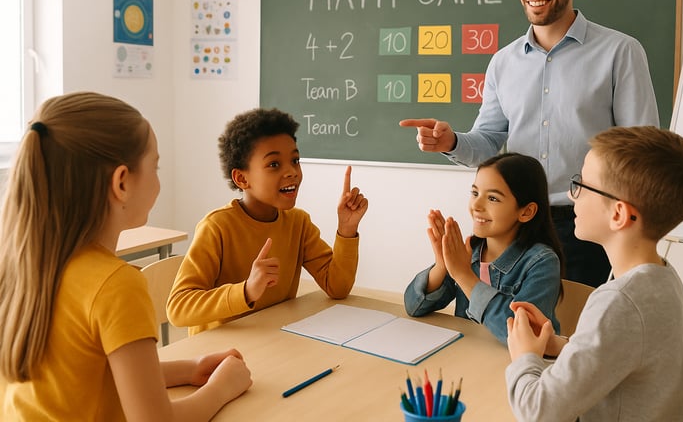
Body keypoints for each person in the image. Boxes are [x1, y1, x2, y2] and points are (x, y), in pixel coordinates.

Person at [400, 0, 659, 288]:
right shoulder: (503, 62)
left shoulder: (620, 52)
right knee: (509, 327)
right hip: (515, 222)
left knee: (573, 335)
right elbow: (489, 141)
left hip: (586, 224)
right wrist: (452, 143)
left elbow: (641, 155)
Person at [0, 92, 252, 421]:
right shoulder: (116, 284)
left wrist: (190, 369)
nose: (159, 179)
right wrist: (220, 389)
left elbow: (91, 371)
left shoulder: (21, 266)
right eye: (155, 166)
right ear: (121, 182)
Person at [505, 126, 683, 421]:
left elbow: (538, 411)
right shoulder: (662, 276)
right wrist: (560, 346)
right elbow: (626, 352)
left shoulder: (619, 301)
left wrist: (525, 357)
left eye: (583, 185)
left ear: (618, 215)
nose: (573, 196)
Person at [166, 107, 368, 335]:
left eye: (295, 160)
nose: (292, 171)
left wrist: (347, 229)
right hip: (220, 355)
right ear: (242, 178)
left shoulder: (298, 223)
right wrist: (247, 291)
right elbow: (178, 308)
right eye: (274, 164)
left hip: (275, 341)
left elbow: (337, 287)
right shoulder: (217, 227)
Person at [404, 152, 564, 344]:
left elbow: (525, 336)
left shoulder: (541, 261)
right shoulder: (469, 252)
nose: (477, 205)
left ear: (526, 212)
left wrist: (464, 276)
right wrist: (441, 265)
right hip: (470, 356)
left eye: (493, 198)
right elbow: (413, 307)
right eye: (475, 193)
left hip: (518, 366)